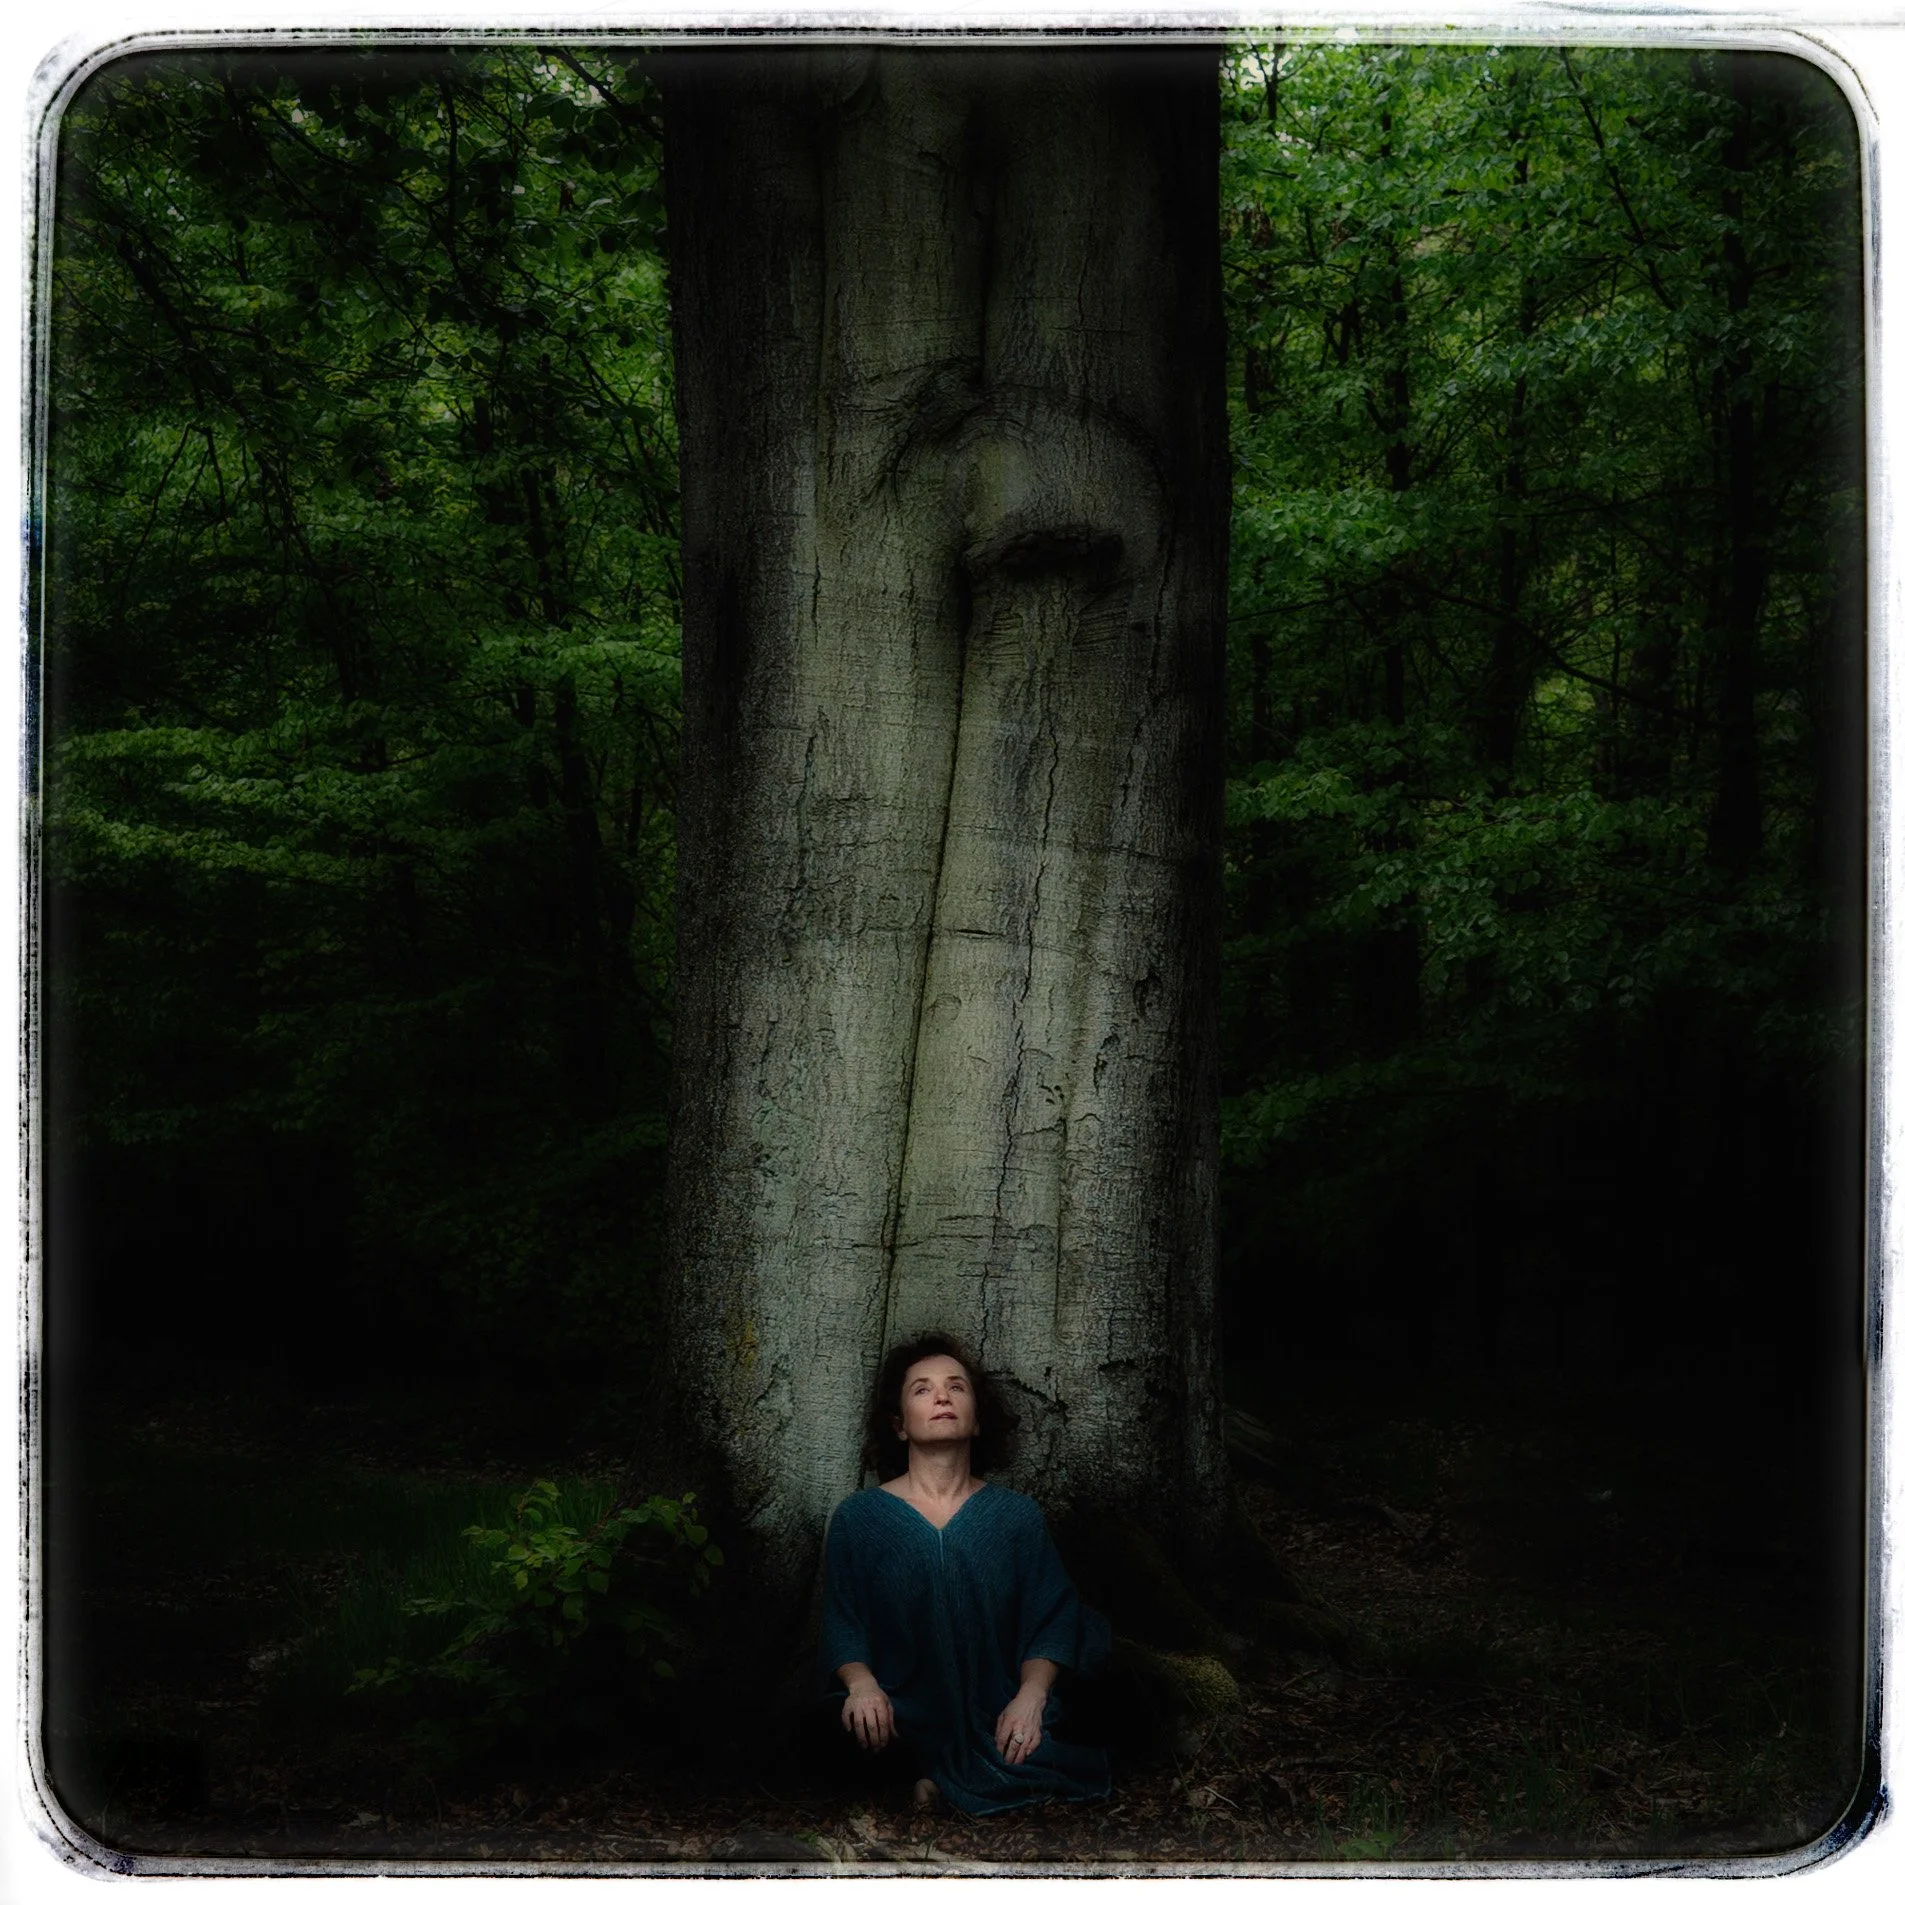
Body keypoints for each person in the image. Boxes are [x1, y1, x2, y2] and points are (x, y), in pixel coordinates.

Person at [819, 1331, 1112, 1816]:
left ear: (977, 1421)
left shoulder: (1015, 1517)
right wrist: (861, 1685)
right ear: (899, 1425)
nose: (941, 1397)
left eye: (957, 1387)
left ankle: (941, 1781)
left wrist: (1031, 1698)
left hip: (996, 1709)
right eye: (922, 1389)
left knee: (1066, 1726)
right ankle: (929, 1772)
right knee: (842, 1731)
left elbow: (1051, 1616)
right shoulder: (860, 1518)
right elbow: (843, 1619)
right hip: (900, 1710)